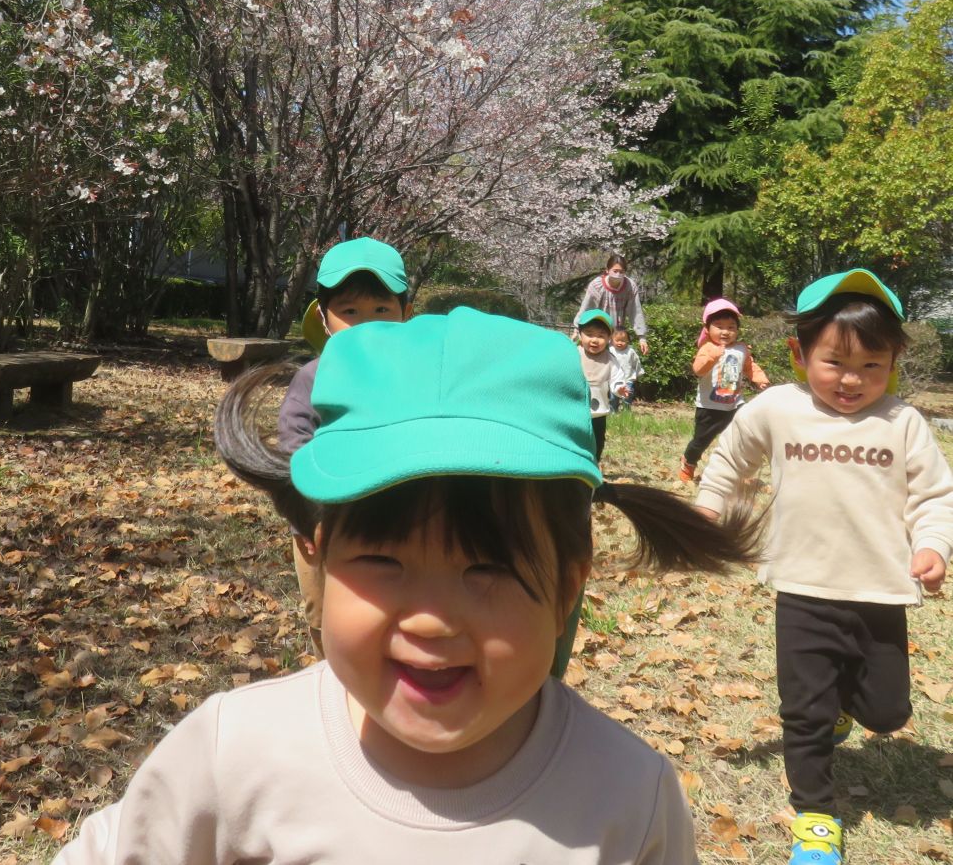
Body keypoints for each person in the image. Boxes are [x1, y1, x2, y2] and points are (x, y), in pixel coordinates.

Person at [58, 308, 762, 865]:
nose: (429, 620)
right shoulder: (233, 756)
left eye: (488, 569)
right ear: (319, 553)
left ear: (569, 585)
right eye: (383, 563)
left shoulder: (627, 799)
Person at [694, 270, 953, 865]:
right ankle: (815, 815)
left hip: (880, 591)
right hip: (802, 589)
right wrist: (711, 505)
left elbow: (934, 496)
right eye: (836, 362)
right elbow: (733, 458)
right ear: (799, 351)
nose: (852, 380)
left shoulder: (902, 423)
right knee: (803, 712)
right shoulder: (778, 408)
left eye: (872, 366)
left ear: (895, 361)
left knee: (888, 713)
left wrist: (933, 546)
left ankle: (846, 707)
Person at [222, 236, 411, 657]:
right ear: (325, 320)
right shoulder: (313, 377)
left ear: (405, 315)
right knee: (325, 611)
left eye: (382, 310)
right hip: (321, 523)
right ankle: (331, 671)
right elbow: (294, 444)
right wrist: (311, 516)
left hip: (396, 518)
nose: (366, 323)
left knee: (390, 609)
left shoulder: (412, 378)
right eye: (350, 312)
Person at [678, 297, 770, 482]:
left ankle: (736, 470)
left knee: (742, 437)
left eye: (731, 327)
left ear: (737, 330)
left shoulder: (741, 349)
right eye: (719, 326)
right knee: (701, 441)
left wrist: (760, 380)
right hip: (709, 406)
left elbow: (750, 367)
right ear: (708, 329)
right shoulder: (707, 348)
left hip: (735, 404)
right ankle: (689, 462)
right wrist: (712, 357)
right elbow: (698, 370)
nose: (725, 331)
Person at [573, 254, 649, 355]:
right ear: (607, 270)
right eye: (615, 271)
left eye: (621, 272)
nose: (618, 274)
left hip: (616, 335)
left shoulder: (630, 287)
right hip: (597, 331)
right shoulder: (596, 285)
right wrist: (577, 329)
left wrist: (642, 337)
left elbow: (635, 312)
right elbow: (586, 309)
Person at [575, 307, 616, 461]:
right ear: (580, 335)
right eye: (589, 334)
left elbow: (618, 377)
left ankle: (594, 463)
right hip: (576, 408)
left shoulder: (610, 359)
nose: (594, 340)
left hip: (599, 411)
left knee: (598, 440)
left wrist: (620, 388)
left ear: (609, 338)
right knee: (576, 438)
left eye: (601, 336)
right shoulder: (574, 353)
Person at [609, 326, 644, 412]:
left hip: (628, 379)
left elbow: (636, 363)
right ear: (611, 340)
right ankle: (613, 412)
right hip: (614, 380)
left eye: (623, 341)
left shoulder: (630, 351)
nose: (620, 343)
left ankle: (626, 412)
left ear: (628, 340)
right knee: (613, 397)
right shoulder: (610, 351)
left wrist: (638, 373)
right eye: (617, 340)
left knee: (627, 397)